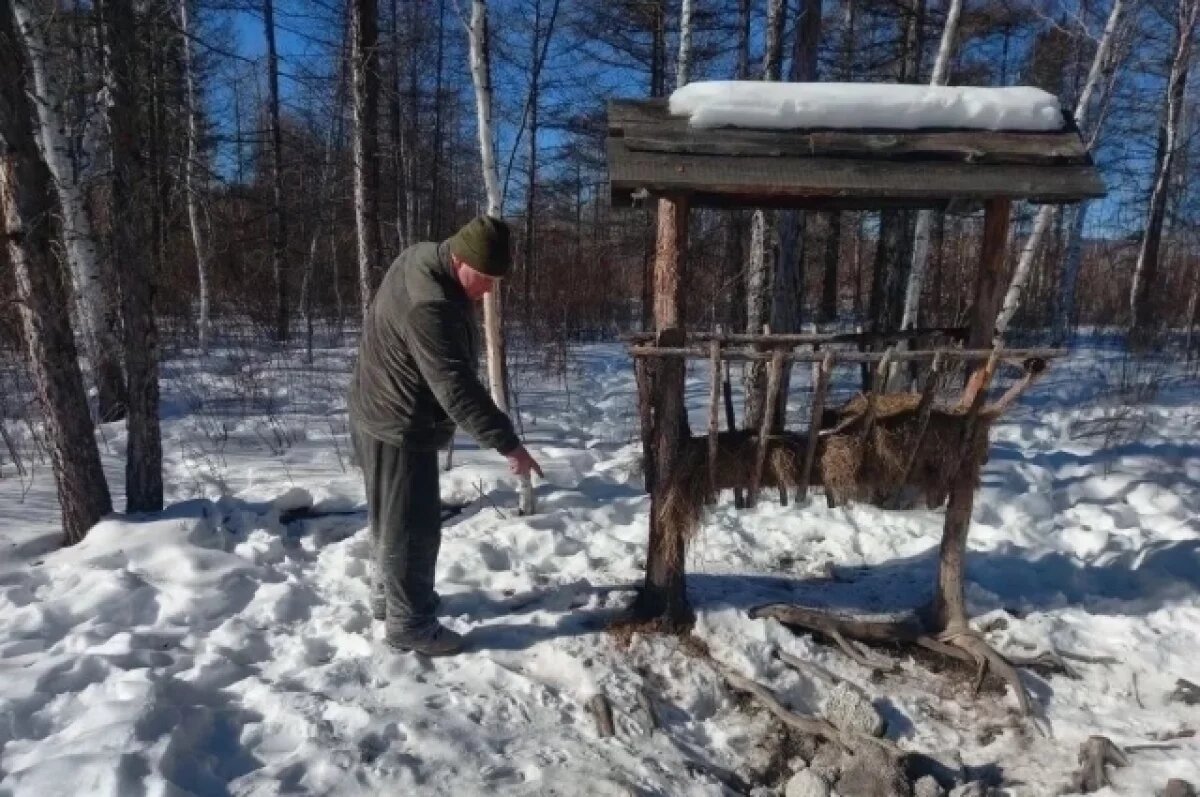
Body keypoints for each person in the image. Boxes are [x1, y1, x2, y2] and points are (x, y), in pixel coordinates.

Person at [349, 215, 542, 656]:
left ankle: (391, 598)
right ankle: (409, 623)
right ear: (459, 259)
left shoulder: (421, 254)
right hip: (398, 421)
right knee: (413, 526)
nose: (489, 291)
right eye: (485, 279)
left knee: (392, 516)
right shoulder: (429, 304)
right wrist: (509, 444)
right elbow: (455, 388)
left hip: (374, 407)